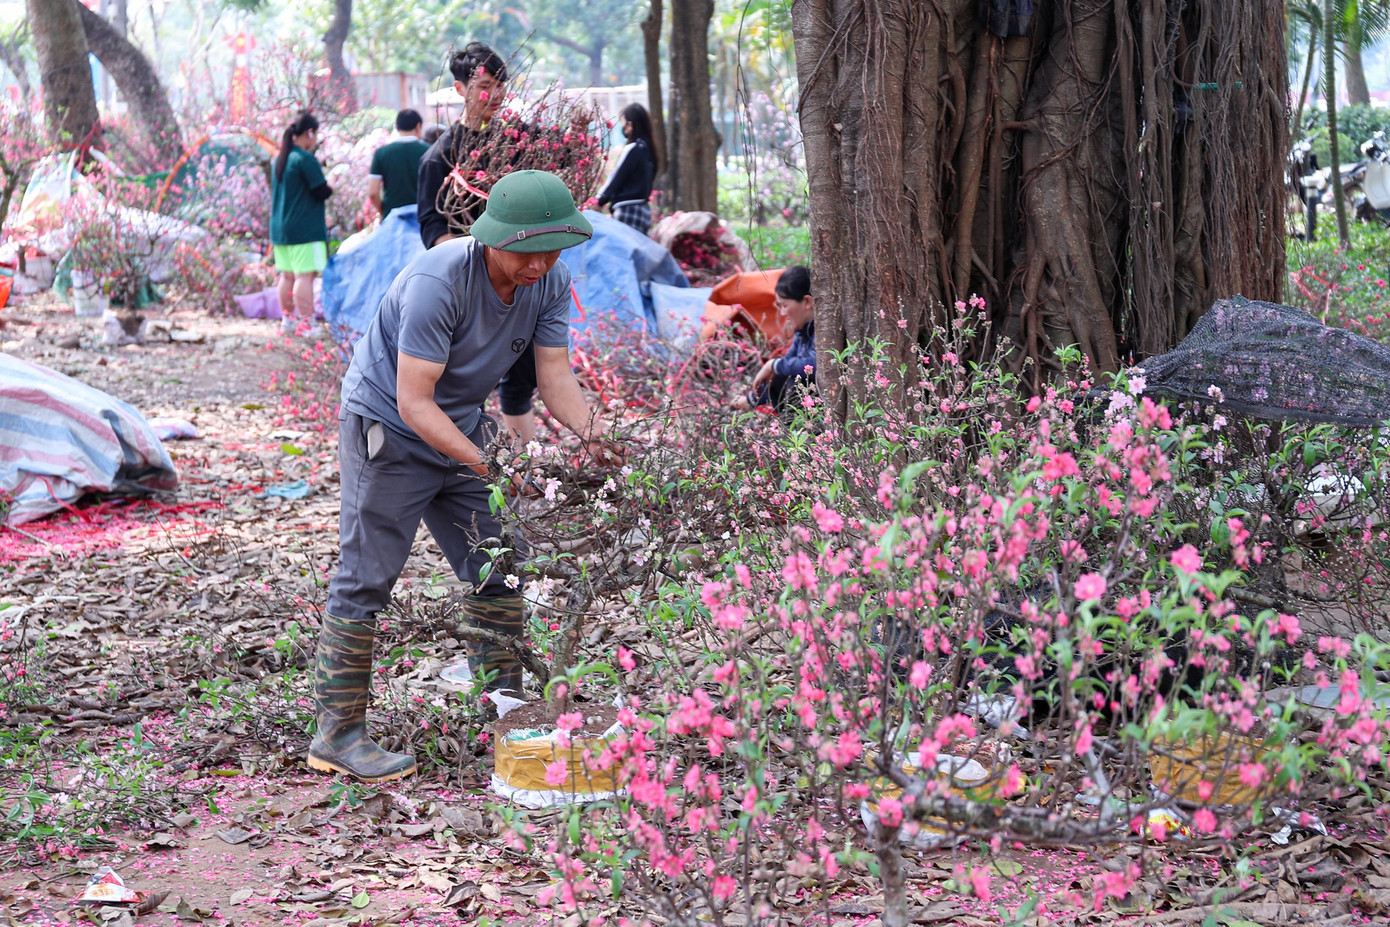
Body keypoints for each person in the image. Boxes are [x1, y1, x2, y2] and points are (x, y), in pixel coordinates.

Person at [308, 171, 614, 782]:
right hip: (388, 428)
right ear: (492, 238)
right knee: (366, 576)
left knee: (499, 562)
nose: (540, 264)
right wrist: (492, 465)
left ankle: (502, 708)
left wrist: (601, 438)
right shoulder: (439, 282)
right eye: (527, 251)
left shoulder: (548, 280)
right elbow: (414, 401)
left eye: (553, 250)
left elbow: (554, 376)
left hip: (463, 423)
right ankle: (337, 736)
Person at [416, 42, 542, 446]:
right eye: (485, 86)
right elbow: (432, 227)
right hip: (469, 289)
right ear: (459, 89)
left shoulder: (522, 145)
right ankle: (456, 459)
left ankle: (524, 465)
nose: (496, 94)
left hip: (521, 281)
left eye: (501, 85)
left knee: (522, 377)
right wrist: (474, 264)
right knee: (459, 378)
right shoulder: (442, 156)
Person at [271, 111, 332, 336]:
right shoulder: (305, 159)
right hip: (303, 228)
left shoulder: (280, 159)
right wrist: (333, 182)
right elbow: (322, 191)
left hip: (280, 228)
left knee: (286, 276)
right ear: (310, 133)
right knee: (304, 276)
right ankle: (307, 324)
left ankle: (287, 321)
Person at [736, 265, 816, 412]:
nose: (783, 313)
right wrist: (750, 400)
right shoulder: (803, 332)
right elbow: (784, 366)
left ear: (807, 302)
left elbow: (817, 363)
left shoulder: (822, 333)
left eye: (785, 306)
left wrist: (772, 364)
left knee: (789, 378)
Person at [596, 103, 658, 234]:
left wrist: (599, 201)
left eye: (623, 122)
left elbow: (617, 179)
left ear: (630, 125)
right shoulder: (649, 151)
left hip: (627, 211)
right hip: (643, 213)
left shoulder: (633, 149)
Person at [367, 109, 429, 220]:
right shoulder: (429, 151)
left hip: (393, 217)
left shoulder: (381, 153)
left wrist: (383, 212)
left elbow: (373, 192)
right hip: (423, 217)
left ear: (397, 127)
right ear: (418, 126)